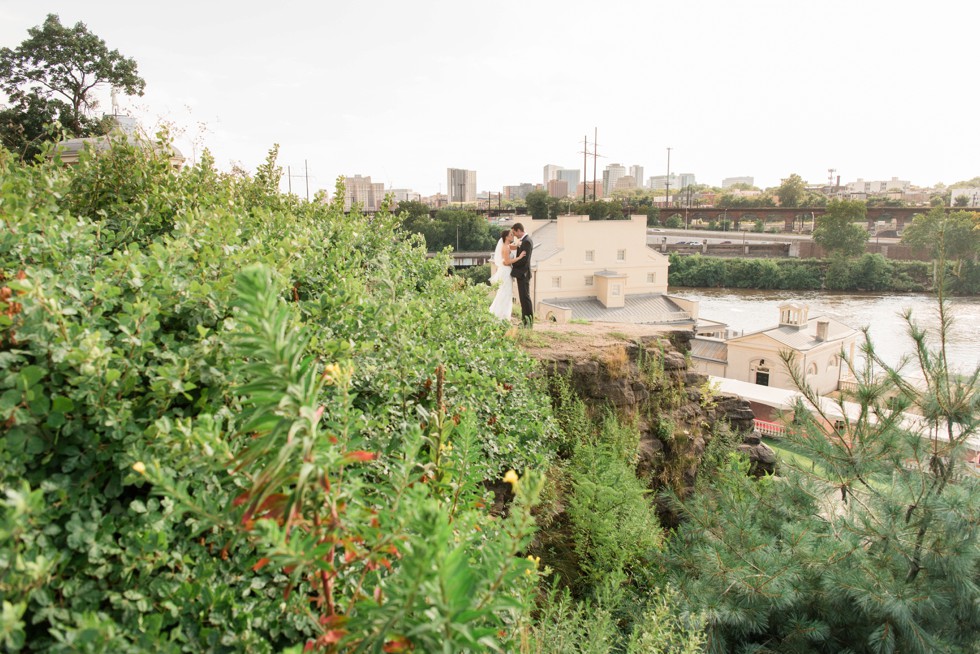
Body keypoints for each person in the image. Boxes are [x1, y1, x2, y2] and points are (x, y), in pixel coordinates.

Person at [489, 229, 525, 321]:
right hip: (505, 272)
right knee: (505, 292)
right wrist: (519, 257)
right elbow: (507, 261)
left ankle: (502, 314)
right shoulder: (505, 247)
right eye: (511, 235)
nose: (513, 236)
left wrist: (519, 244)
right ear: (506, 237)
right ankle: (500, 315)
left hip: (507, 271)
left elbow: (515, 246)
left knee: (506, 292)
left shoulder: (508, 246)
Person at [509, 223, 534, 327]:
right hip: (521, 274)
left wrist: (512, 262)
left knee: (525, 298)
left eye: (514, 233)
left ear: (519, 230)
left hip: (523, 273)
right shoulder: (524, 240)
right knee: (523, 299)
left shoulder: (527, 241)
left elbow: (524, 260)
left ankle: (528, 322)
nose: (514, 235)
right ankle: (525, 321)